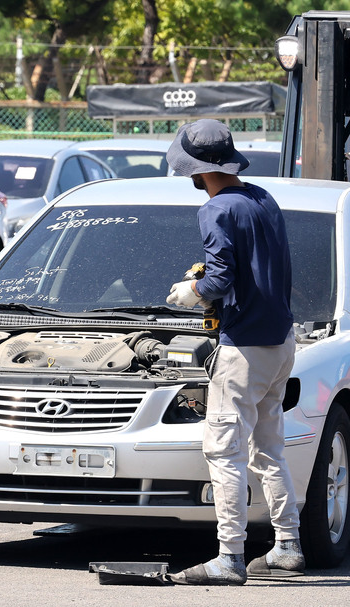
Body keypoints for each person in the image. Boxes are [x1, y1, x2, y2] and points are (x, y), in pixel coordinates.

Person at [163, 119, 303, 585]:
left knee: (224, 451)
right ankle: (287, 546)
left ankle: (230, 558)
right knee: (269, 448)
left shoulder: (216, 209)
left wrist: (194, 290)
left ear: (196, 170)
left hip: (244, 348)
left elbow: (221, 278)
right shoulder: (262, 198)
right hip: (280, 341)